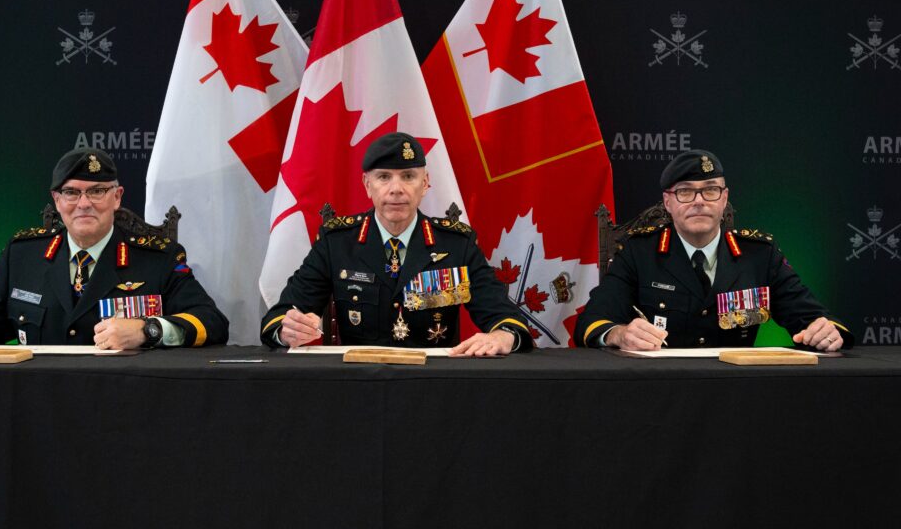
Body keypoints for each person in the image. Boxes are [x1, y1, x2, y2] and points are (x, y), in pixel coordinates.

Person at [0, 148, 228, 350]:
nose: (84, 204)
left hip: (128, 403)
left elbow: (212, 323)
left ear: (117, 197)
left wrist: (149, 331)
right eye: (71, 193)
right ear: (56, 200)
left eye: (97, 191)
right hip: (38, 404)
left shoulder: (158, 258)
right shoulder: (22, 255)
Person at [261, 132, 532, 355]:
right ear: (367, 185)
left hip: (434, 386)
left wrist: (502, 336)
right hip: (359, 385)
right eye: (383, 177)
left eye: (408, 176)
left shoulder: (457, 245)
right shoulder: (337, 244)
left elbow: (506, 317)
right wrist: (288, 330)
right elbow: (278, 317)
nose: (396, 189)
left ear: (425, 183)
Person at [575, 149, 853, 351]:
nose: (699, 202)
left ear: (725, 199)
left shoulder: (759, 256)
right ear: (668, 202)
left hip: (736, 393)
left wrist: (826, 332)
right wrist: (619, 333)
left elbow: (815, 319)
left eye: (710, 191)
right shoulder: (638, 253)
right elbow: (591, 322)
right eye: (685, 192)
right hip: (659, 392)